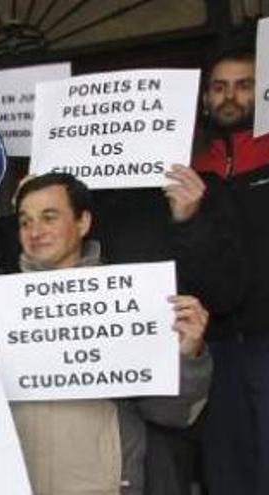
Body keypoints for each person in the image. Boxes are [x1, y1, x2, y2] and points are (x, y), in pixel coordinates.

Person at [0, 173, 212, 495]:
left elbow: (172, 413)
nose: (35, 232)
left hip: (104, 485)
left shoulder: (129, 301)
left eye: (49, 217)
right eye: (25, 221)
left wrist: (187, 356)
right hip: (14, 485)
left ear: (83, 222)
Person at [192, 45, 269, 494]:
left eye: (243, 86)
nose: (230, 97)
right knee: (225, 470)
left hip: (265, 337)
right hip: (216, 343)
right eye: (219, 87)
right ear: (205, 97)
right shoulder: (191, 170)